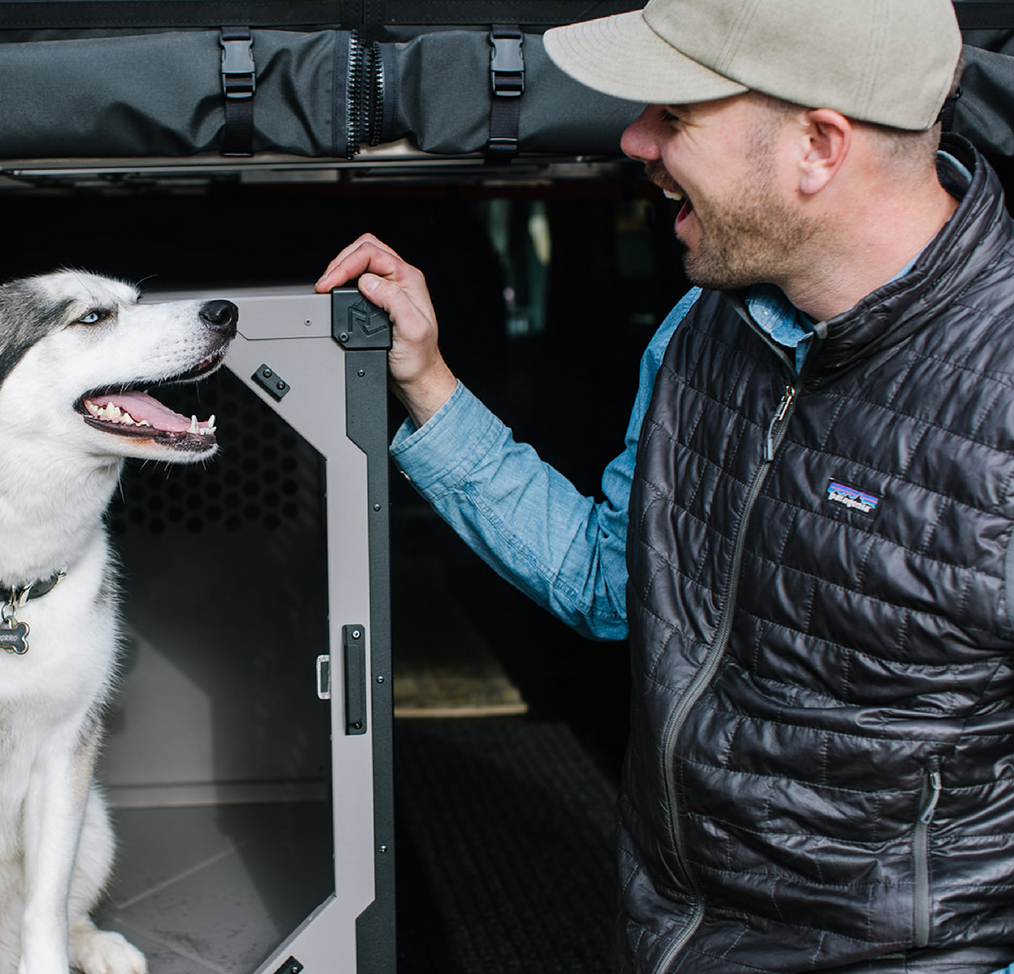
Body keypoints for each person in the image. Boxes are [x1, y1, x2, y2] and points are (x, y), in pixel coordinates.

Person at [317, 1, 1014, 972]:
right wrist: (427, 379)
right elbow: (616, 582)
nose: (633, 139)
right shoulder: (702, 329)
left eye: (676, 115)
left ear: (819, 145)